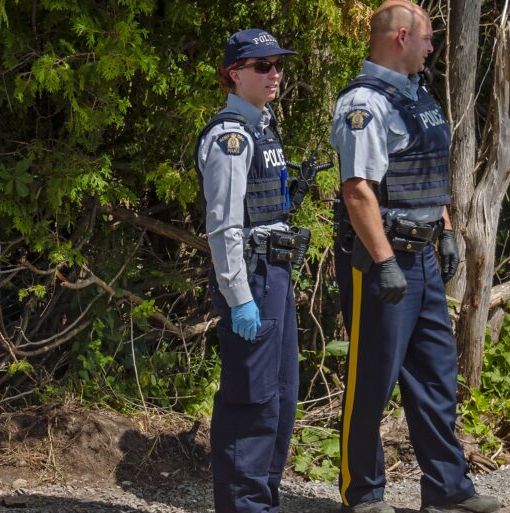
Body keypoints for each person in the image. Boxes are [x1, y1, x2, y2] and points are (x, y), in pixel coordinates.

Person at [331, 2, 500, 513]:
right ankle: (362, 493)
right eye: (426, 38)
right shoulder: (364, 103)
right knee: (373, 377)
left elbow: (427, 170)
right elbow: (357, 190)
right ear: (401, 37)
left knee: (435, 374)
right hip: (380, 257)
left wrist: (445, 230)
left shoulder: (415, 94)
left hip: (423, 253)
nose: (431, 47)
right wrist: (384, 261)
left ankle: (447, 489)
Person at [195, 29, 305, 513]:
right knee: (251, 400)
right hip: (253, 277)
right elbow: (224, 226)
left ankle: (263, 500)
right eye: (263, 66)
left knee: (281, 395)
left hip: (275, 272)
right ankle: (244, 505)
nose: (274, 73)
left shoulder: (262, 127)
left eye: (278, 64)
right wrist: (238, 297)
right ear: (234, 74)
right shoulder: (231, 137)